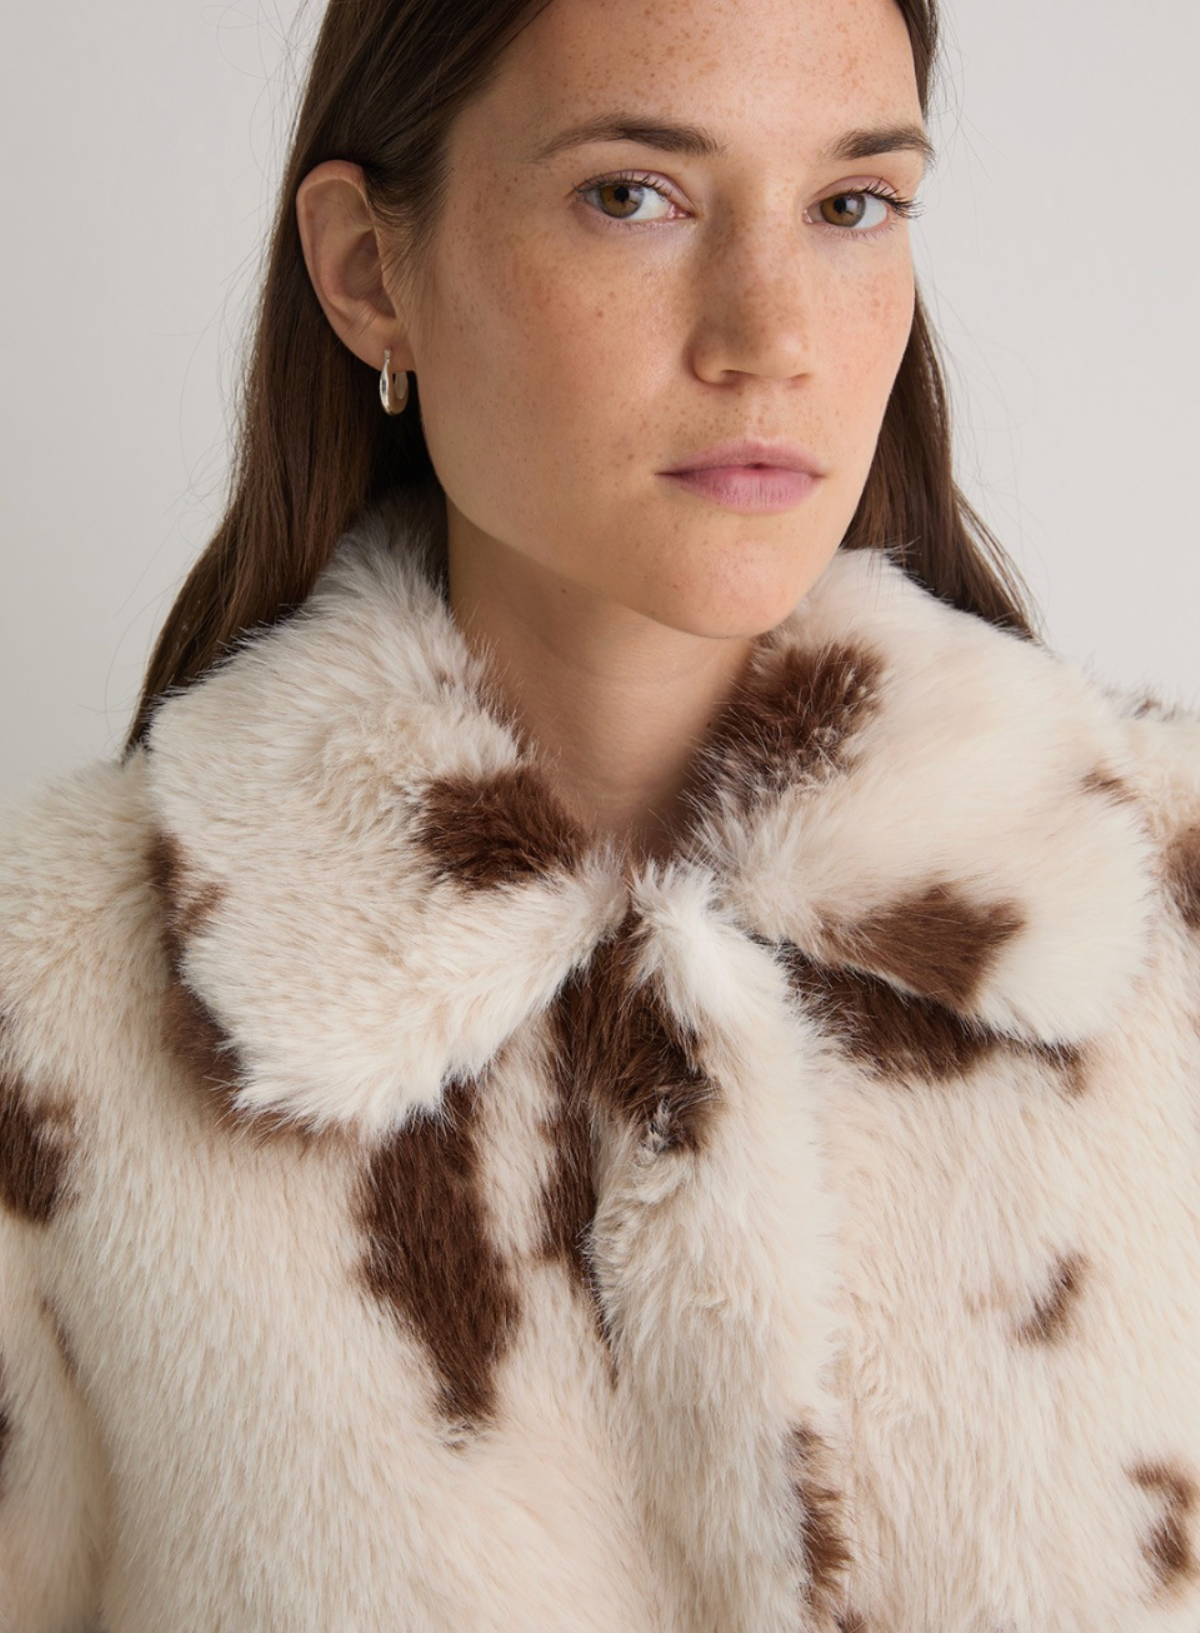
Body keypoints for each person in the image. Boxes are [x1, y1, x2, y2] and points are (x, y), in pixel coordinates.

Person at [0, 0, 1197, 1626]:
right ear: (369, 273)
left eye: (852, 205)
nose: (769, 334)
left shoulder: (1168, 926)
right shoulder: (46, 1012)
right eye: (634, 193)